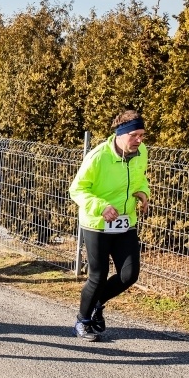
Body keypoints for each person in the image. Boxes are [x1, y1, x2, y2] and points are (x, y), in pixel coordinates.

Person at [68, 109, 150, 342]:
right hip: (97, 224)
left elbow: (140, 178)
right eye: (134, 135)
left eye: (142, 135)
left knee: (129, 275)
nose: (139, 140)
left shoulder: (141, 152)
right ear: (120, 134)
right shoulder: (98, 157)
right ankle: (83, 321)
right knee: (98, 275)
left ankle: (97, 305)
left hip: (126, 222)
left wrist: (143, 192)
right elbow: (77, 189)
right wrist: (101, 206)